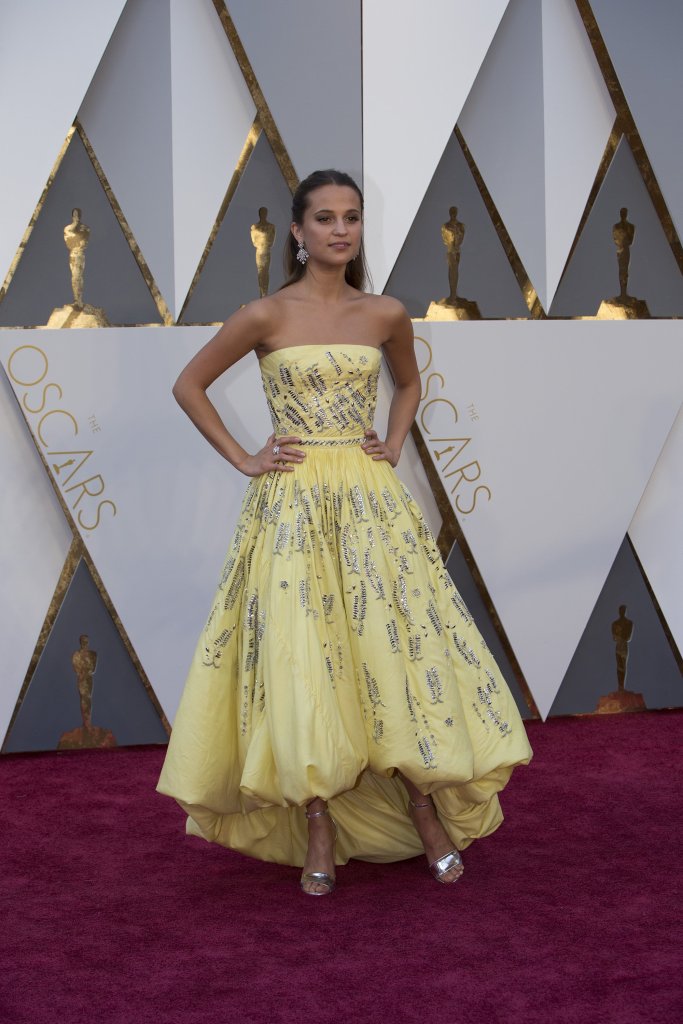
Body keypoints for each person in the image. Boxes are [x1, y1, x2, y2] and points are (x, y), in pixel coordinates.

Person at [157, 169, 532, 895]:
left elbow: (409, 382)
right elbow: (188, 384)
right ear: (296, 233)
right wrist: (245, 457)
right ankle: (319, 819)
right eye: (323, 218)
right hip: (291, 502)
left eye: (351, 217)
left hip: (367, 500)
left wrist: (392, 441)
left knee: (384, 650)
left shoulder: (385, 312)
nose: (339, 229)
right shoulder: (263, 315)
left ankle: (422, 808)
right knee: (307, 654)